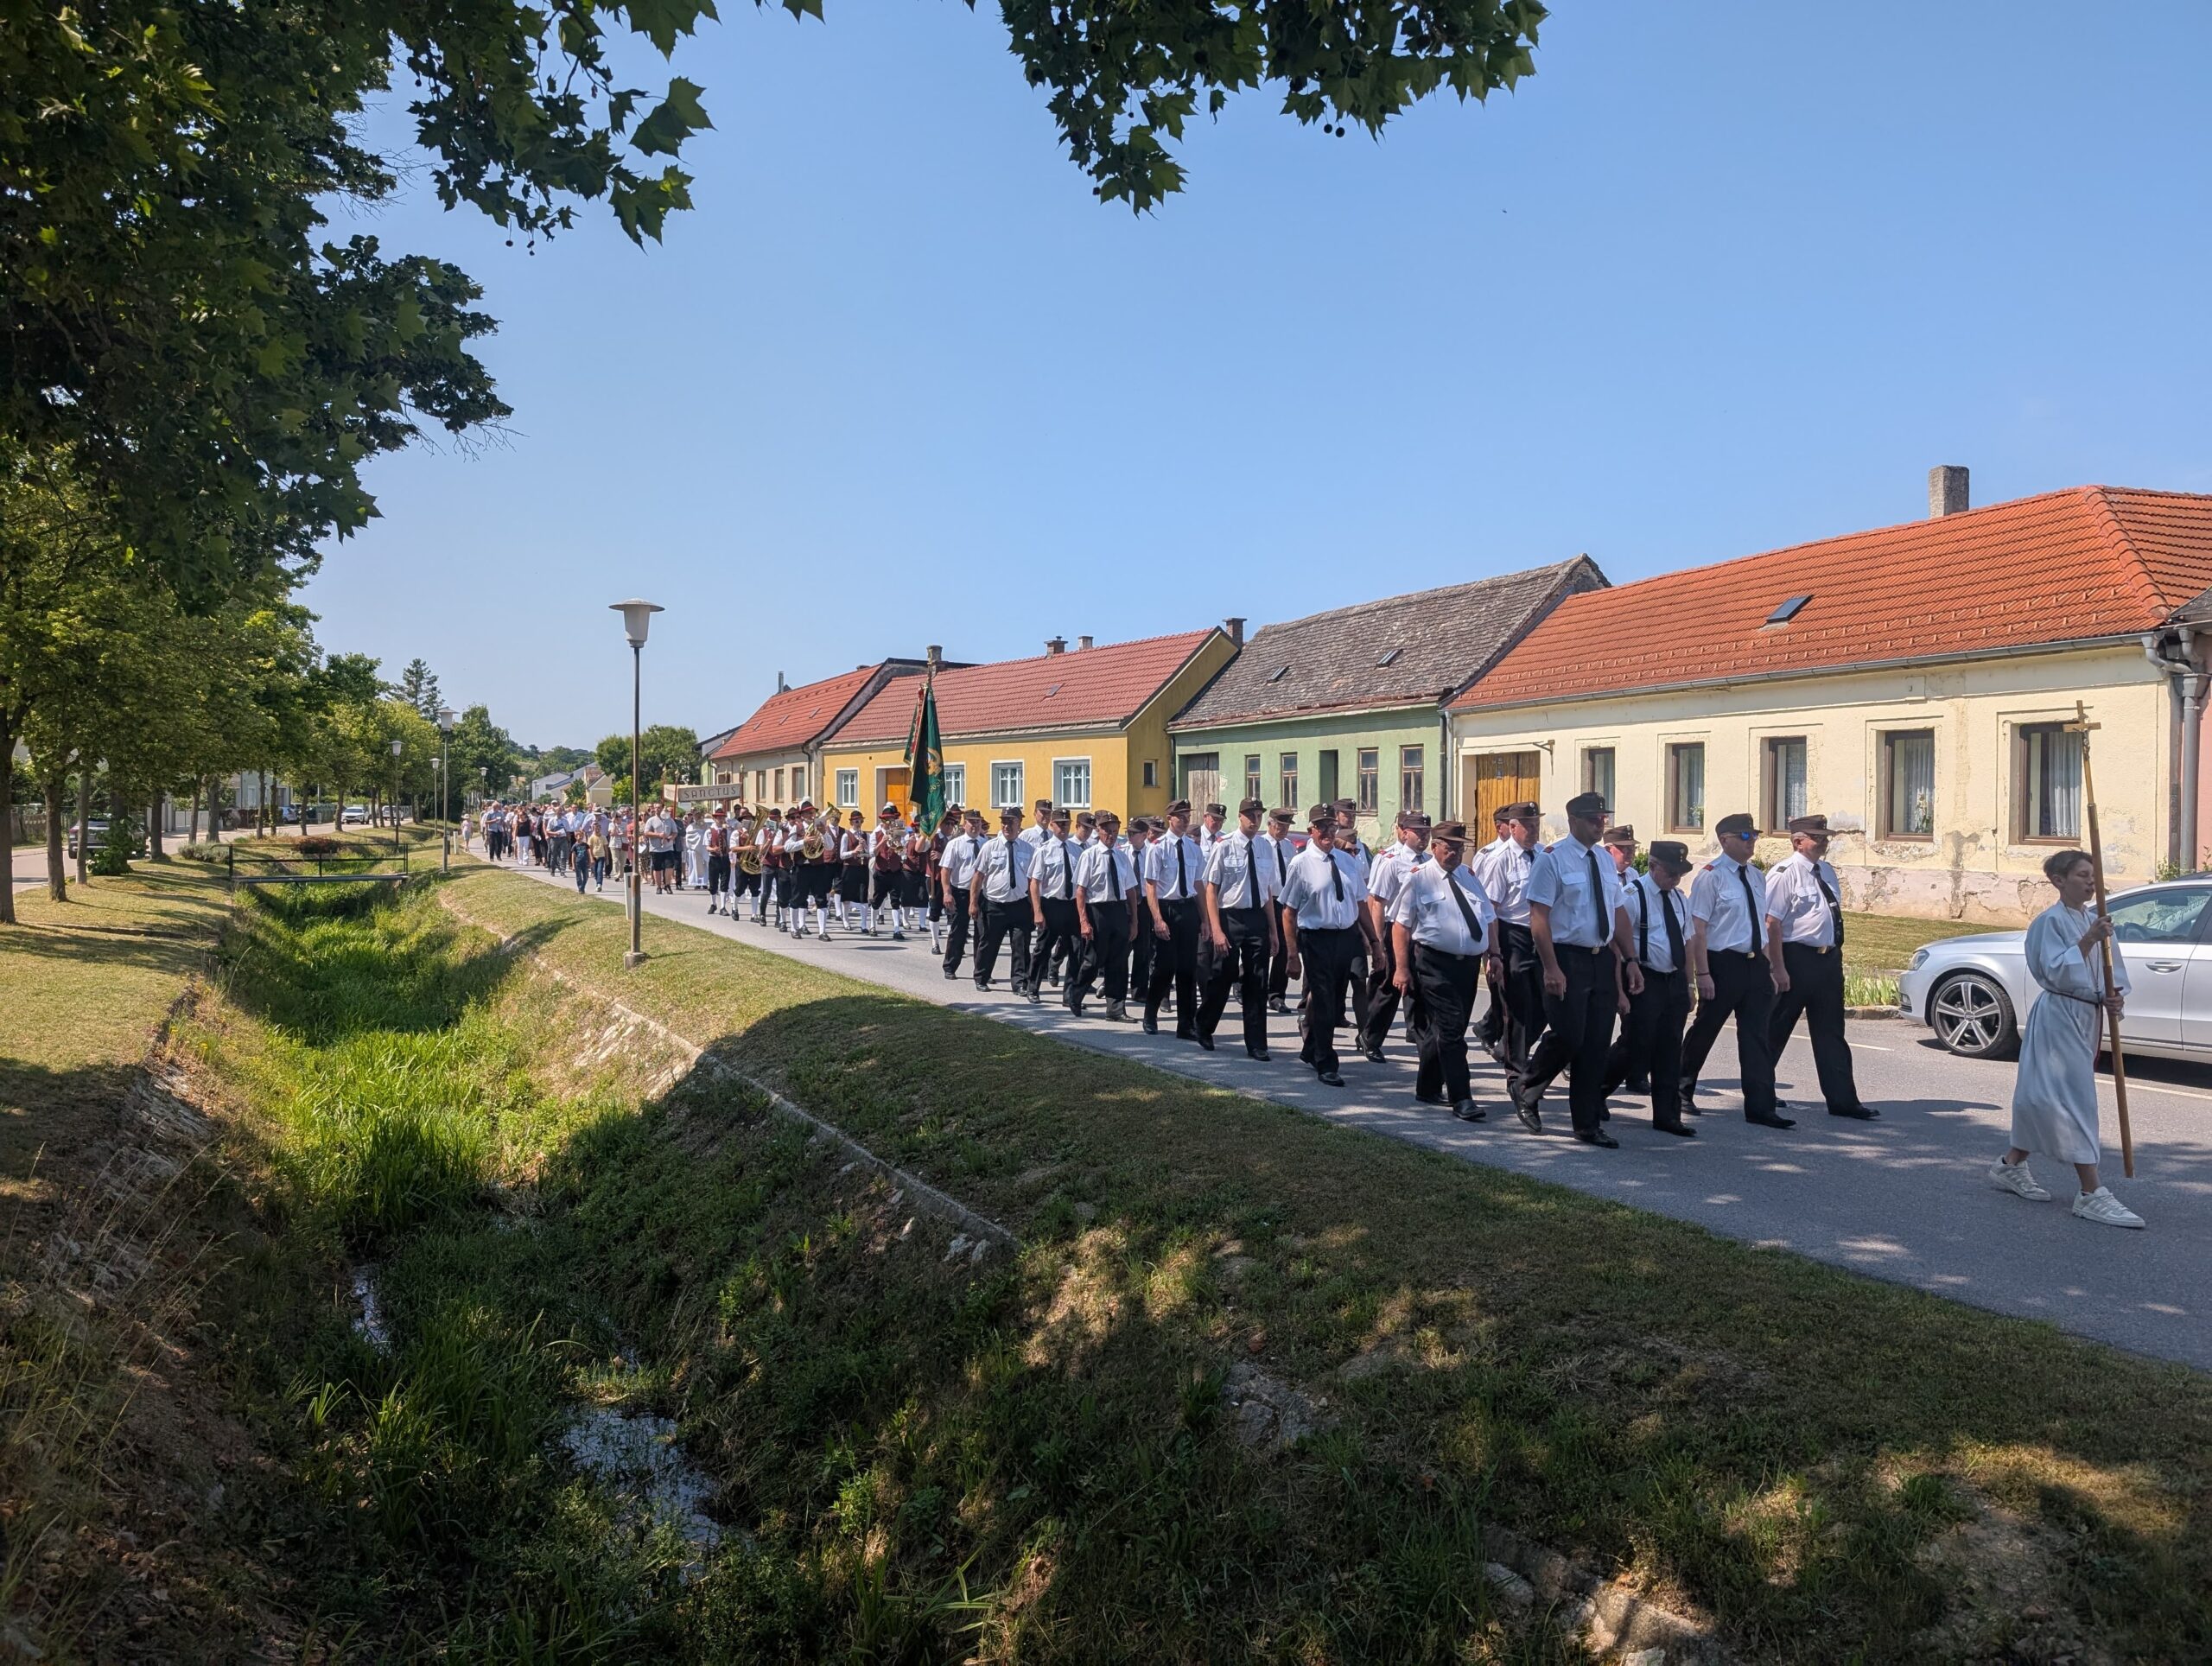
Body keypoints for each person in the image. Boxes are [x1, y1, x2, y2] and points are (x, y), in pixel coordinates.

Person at [1992, 849, 2144, 1228]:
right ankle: (2091, 1191)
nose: (2091, 882)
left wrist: (2113, 995)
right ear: (2059, 881)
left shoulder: (2095, 920)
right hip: (2059, 1015)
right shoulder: (2049, 923)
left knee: (2046, 1096)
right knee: (2074, 1097)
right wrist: (2088, 940)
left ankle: (2011, 1163)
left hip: (2087, 1015)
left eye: (2093, 875)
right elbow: (2053, 970)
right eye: (2082, 875)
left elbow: (2111, 972)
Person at [1515, 791, 1632, 1148]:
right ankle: (1526, 1086)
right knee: (1569, 1035)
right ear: (1574, 821)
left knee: (1596, 1044)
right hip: (1566, 957)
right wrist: (1551, 967)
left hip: (1601, 958)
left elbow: (1618, 912)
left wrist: (1631, 960)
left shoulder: (1605, 860)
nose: (1600, 824)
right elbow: (1539, 917)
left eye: (1603, 818)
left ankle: (1587, 1124)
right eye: (1594, 819)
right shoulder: (1552, 859)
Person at [1679, 811, 1789, 1128]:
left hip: (1754, 963)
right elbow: (1698, 928)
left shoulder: (1756, 876)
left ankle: (1761, 1107)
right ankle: (1680, 1088)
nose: (1751, 841)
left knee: (1757, 1036)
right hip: (1723, 963)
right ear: (1724, 840)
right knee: (1706, 1029)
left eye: (1754, 835)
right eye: (1744, 836)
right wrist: (1702, 974)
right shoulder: (1710, 876)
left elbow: (1759, 924)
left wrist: (1770, 966)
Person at [1764, 813, 1878, 1120]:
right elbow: (1771, 923)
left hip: (1827, 960)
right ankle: (1761, 1091)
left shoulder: (1825, 871)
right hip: (1795, 958)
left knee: (1831, 1032)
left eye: (1826, 838)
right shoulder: (1784, 874)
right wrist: (1777, 968)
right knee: (1776, 1028)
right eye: (1817, 838)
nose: (1824, 843)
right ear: (1798, 842)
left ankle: (1843, 1101)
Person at [1389, 820, 1493, 1121]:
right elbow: (1401, 926)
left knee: (1449, 1029)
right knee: (1451, 1029)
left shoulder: (1469, 877)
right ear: (1435, 847)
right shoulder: (1419, 878)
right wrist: (1401, 969)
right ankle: (1462, 1097)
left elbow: (1488, 918)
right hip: (1434, 964)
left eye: (1460, 848)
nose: (1455, 853)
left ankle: (1428, 1087)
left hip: (1468, 966)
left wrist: (1494, 955)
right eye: (1450, 847)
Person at [1605, 839, 1696, 1136]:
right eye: (1671, 872)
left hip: (1673, 980)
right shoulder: (1633, 896)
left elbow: (1687, 941)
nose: (1676, 879)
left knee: (1670, 1047)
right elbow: (1615, 944)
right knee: (1636, 1044)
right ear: (1653, 866)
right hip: (1644, 979)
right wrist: (1620, 990)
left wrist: (1690, 982)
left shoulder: (1679, 898)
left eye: (1680, 873)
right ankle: (1596, 1090)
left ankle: (1667, 1115)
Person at [1279, 806, 1363, 1086]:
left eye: (1332, 827)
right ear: (1311, 831)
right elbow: (1289, 912)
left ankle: (1311, 1048)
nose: (1327, 832)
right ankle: (1326, 1062)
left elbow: (1360, 903)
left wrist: (1374, 941)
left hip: (1345, 937)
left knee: (1334, 999)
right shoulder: (1301, 863)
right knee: (1324, 999)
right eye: (1321, 827)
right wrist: (1292, 954)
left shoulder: (1347, 861)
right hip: (1316, 939)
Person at [1196, 798, 1280, 1059]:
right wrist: (1216, 929)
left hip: (1256, 917)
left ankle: (1256, 1044)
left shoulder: (1265, 847)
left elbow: (1267, 891)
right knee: (1223, 975)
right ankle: (1204, 1025)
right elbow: (1211, 889)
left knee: (1258, 980)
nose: (1254, 820)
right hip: (1230, 917)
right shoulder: (1224, 845)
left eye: (1258, 815)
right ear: (1240, 817)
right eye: (1250, 815)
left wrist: (1273, 930)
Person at [1359, 812, 1432, 1061]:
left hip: (1421, 933)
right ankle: (1370, 1038)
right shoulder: (1392, 861)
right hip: (1395, 930)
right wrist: (1377, 941)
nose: (1423, 837)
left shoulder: (1430, 862)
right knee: (1390, 989)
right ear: (1405, 832)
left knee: (1420, 989)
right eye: (1418, 832)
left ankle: (1424, 1045)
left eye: (1426, 832)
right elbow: (1378, 903)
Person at [1141, 800, 1205, 1039]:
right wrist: (1157, 919)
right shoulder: (1158, 848)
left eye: (1188, 816)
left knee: (1188, 969)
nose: (1186, 820)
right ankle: (1150, 1014)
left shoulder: (1193, 848)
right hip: (1167, 909)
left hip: (1188, 909)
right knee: (1165, 967)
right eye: (1181, 816)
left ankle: (1186, 1024)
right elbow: (1151, 886)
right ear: (1170, 819)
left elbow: (1198, 884)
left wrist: (1205, 919)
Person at [1070, 811, 1138, 1020]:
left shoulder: (1121, 857)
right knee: (1093, 961)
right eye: (1107, 831)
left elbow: (1131, 890)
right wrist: (1084, 921)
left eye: (1115, 831)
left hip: (1118, 910)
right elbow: (1080, 891)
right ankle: (1075, 995)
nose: (1111, 835)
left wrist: (1134, 921)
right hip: (1097, 911)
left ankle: (1116, 1009)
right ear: (1098, 831)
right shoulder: (1089, 856)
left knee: (1119, 963)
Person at [1026, 809, 1084, 1006]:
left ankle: (1070, 995)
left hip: (1072, 906)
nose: (1063, 827)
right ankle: (1032, 987)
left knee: (1076, 950)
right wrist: (1037, 911)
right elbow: (1034, 883)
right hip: (1051, 905)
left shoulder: (1077, 851)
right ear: (1052, 825)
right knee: (1042, 949)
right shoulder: (1044, 850)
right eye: (1059, 824)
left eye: (1066, 823)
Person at [971, 807, 1033, 993]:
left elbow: (1033, 879)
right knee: (989, 944)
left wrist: (1035, 906)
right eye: (1004, 822)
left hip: (1020, 904)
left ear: (1019, 823)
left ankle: (1019, 983)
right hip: (994, 904)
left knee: (1021, 946)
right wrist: (973, 903)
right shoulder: (990, 847)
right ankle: (981, 978)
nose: (1007, 826)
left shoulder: (1028, 849)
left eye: (1011, 822)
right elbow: (978, 876)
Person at [1258, 807, 1300, 1014]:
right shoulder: (1260, 845)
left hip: (1284, 903)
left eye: (1286, 827)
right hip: (1265, 901)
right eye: (1280, 826)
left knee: (1284, 948)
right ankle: (1255, 988)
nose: (1283, 830)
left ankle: (1276, 996)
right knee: (1263, 948)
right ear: (1270, 824)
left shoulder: (1289, 847)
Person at [939, 809, 984, 978]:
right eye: (971, 822)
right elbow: (946, 870)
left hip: (981, 894)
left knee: (983, 934)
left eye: (978, 822)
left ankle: (981, 970)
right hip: (961, 892)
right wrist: (947, 893)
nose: (975, 826)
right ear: (965, 824)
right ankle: (950, 967)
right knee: (958, 931)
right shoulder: (955, 844)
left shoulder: (986, 843)